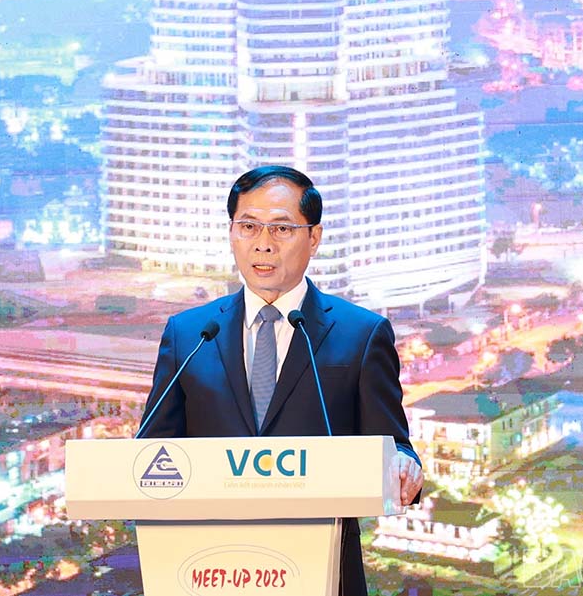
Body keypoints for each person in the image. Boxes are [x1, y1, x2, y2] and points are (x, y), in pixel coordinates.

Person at [138, 165, 423, 596]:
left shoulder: (362, 334)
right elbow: (150, 451)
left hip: (322, 571)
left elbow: (393, 444)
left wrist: (404, 465)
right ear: (231, 233)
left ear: (314, 237)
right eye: (248, 226)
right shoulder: (189, 334)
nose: (263, 244)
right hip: (208, 570)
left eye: (282, 228)